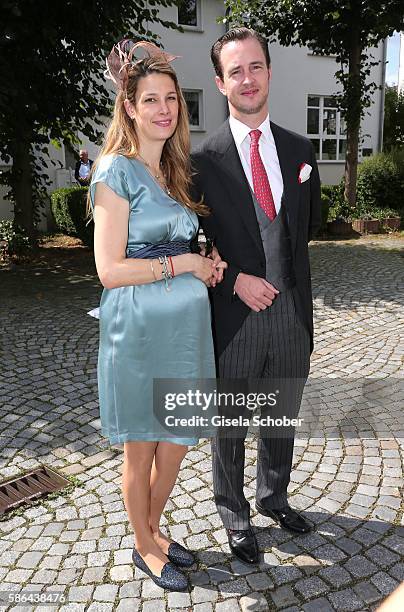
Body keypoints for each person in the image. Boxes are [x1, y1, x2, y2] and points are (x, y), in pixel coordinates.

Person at [89, 39, 226, 591]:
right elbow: (109, 270)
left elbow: (183, 246)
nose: (164, 109)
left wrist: (205, 262)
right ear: (130, 107)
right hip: (139, 331)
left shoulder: (173, 170)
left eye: (171, 98)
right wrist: (183, 264)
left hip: (185, 332)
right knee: (142, 444)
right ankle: (145, 546)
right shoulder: (114, 171)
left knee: (175, 442)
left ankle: (153, 528)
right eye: (151, 99)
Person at [191, 27, 321, 564]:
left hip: (291, 310)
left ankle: (274, 497)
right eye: (235, 71)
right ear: (221, 84)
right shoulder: (204, 161)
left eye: (256, 67)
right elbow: (195, 241)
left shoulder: (299, 149)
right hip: (235, 317)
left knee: (279, 413)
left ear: (269, 72)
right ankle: (234, 514)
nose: (248, 79)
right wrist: (234, 275)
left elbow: (307, 224)